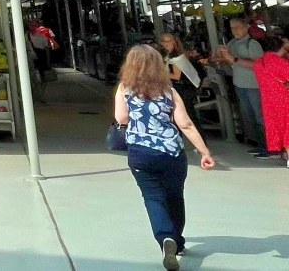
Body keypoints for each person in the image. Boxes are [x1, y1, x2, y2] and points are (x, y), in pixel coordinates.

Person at [115, 44, 214, 271]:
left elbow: (121, 117)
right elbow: (186, 124)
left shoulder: (124, 88)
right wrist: (204, 152)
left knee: (153, 198)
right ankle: (176, 240)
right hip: (171, 153)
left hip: (140, 153)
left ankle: (165, 238)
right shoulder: (169, 91)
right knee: (174, 196)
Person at [218, 35, 289, 166]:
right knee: (287, 128)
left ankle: (284, 155)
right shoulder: (280, 62)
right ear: (280, 47)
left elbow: (249, 64)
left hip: (268, 101)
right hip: (284, 99)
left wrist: (232, 58)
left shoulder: (261, 62)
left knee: (278, 127)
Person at [219, 18, 270, 157]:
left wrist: (234, 59)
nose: (235, 30)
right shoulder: (232, 43)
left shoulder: (251, 43)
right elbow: (229, 60)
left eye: (238, 27)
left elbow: (259, 66)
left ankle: (270, 147)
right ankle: (261, 144)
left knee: (260, 116)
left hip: (254, 85)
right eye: (232, 28)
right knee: (251, 116)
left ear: (246, 27)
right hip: (240, 84)